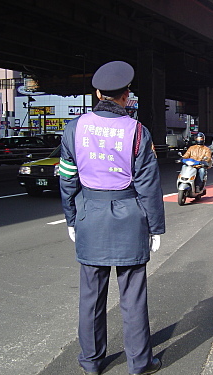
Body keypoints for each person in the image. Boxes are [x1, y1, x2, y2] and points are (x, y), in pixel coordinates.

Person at [59, 61, 165, 375]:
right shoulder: (137, 131)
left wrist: (70, 218)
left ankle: (91, 362)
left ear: (97, 93)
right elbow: (148, 184)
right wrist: (155, 227)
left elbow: (67, 178)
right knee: (132, 295)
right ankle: (139, 363)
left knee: (91, 295)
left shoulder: (75, 128)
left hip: (89, 216)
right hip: (130, 217)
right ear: (125, 95)